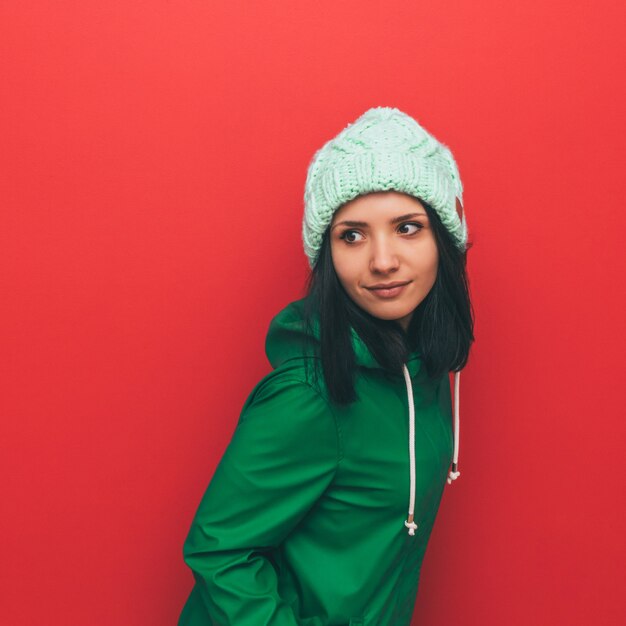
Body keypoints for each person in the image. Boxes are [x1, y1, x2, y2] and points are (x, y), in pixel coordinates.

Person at [178, 106, 474, 625]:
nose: (382, 260)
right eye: (352, 236)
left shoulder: (424, 370)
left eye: (407, 227)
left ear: (444, 242)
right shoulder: (309, 396)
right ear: (328, 254)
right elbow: (220, 550)